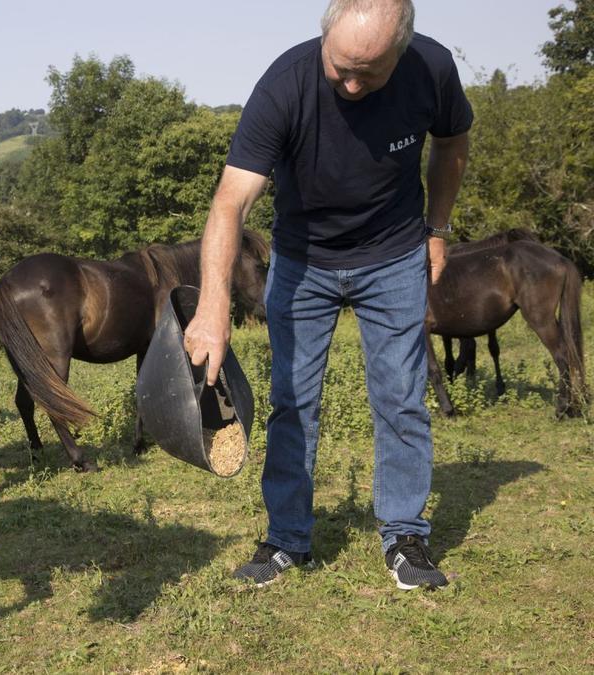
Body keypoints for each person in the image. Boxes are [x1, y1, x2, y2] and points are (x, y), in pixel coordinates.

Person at [183, 0, 470, 590]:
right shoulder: (286, 83)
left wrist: (436, 231)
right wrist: (213, 307)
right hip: (302, 262)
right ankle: (286, 538)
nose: (353, 82)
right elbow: (230, 201)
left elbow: (453, 141)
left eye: (371, 70)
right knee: (292, 401)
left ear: (402, 49)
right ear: (325, 40)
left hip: (393, 256)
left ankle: (405, 537)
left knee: (401, 399)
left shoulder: (433, 69)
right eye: (342, 67)